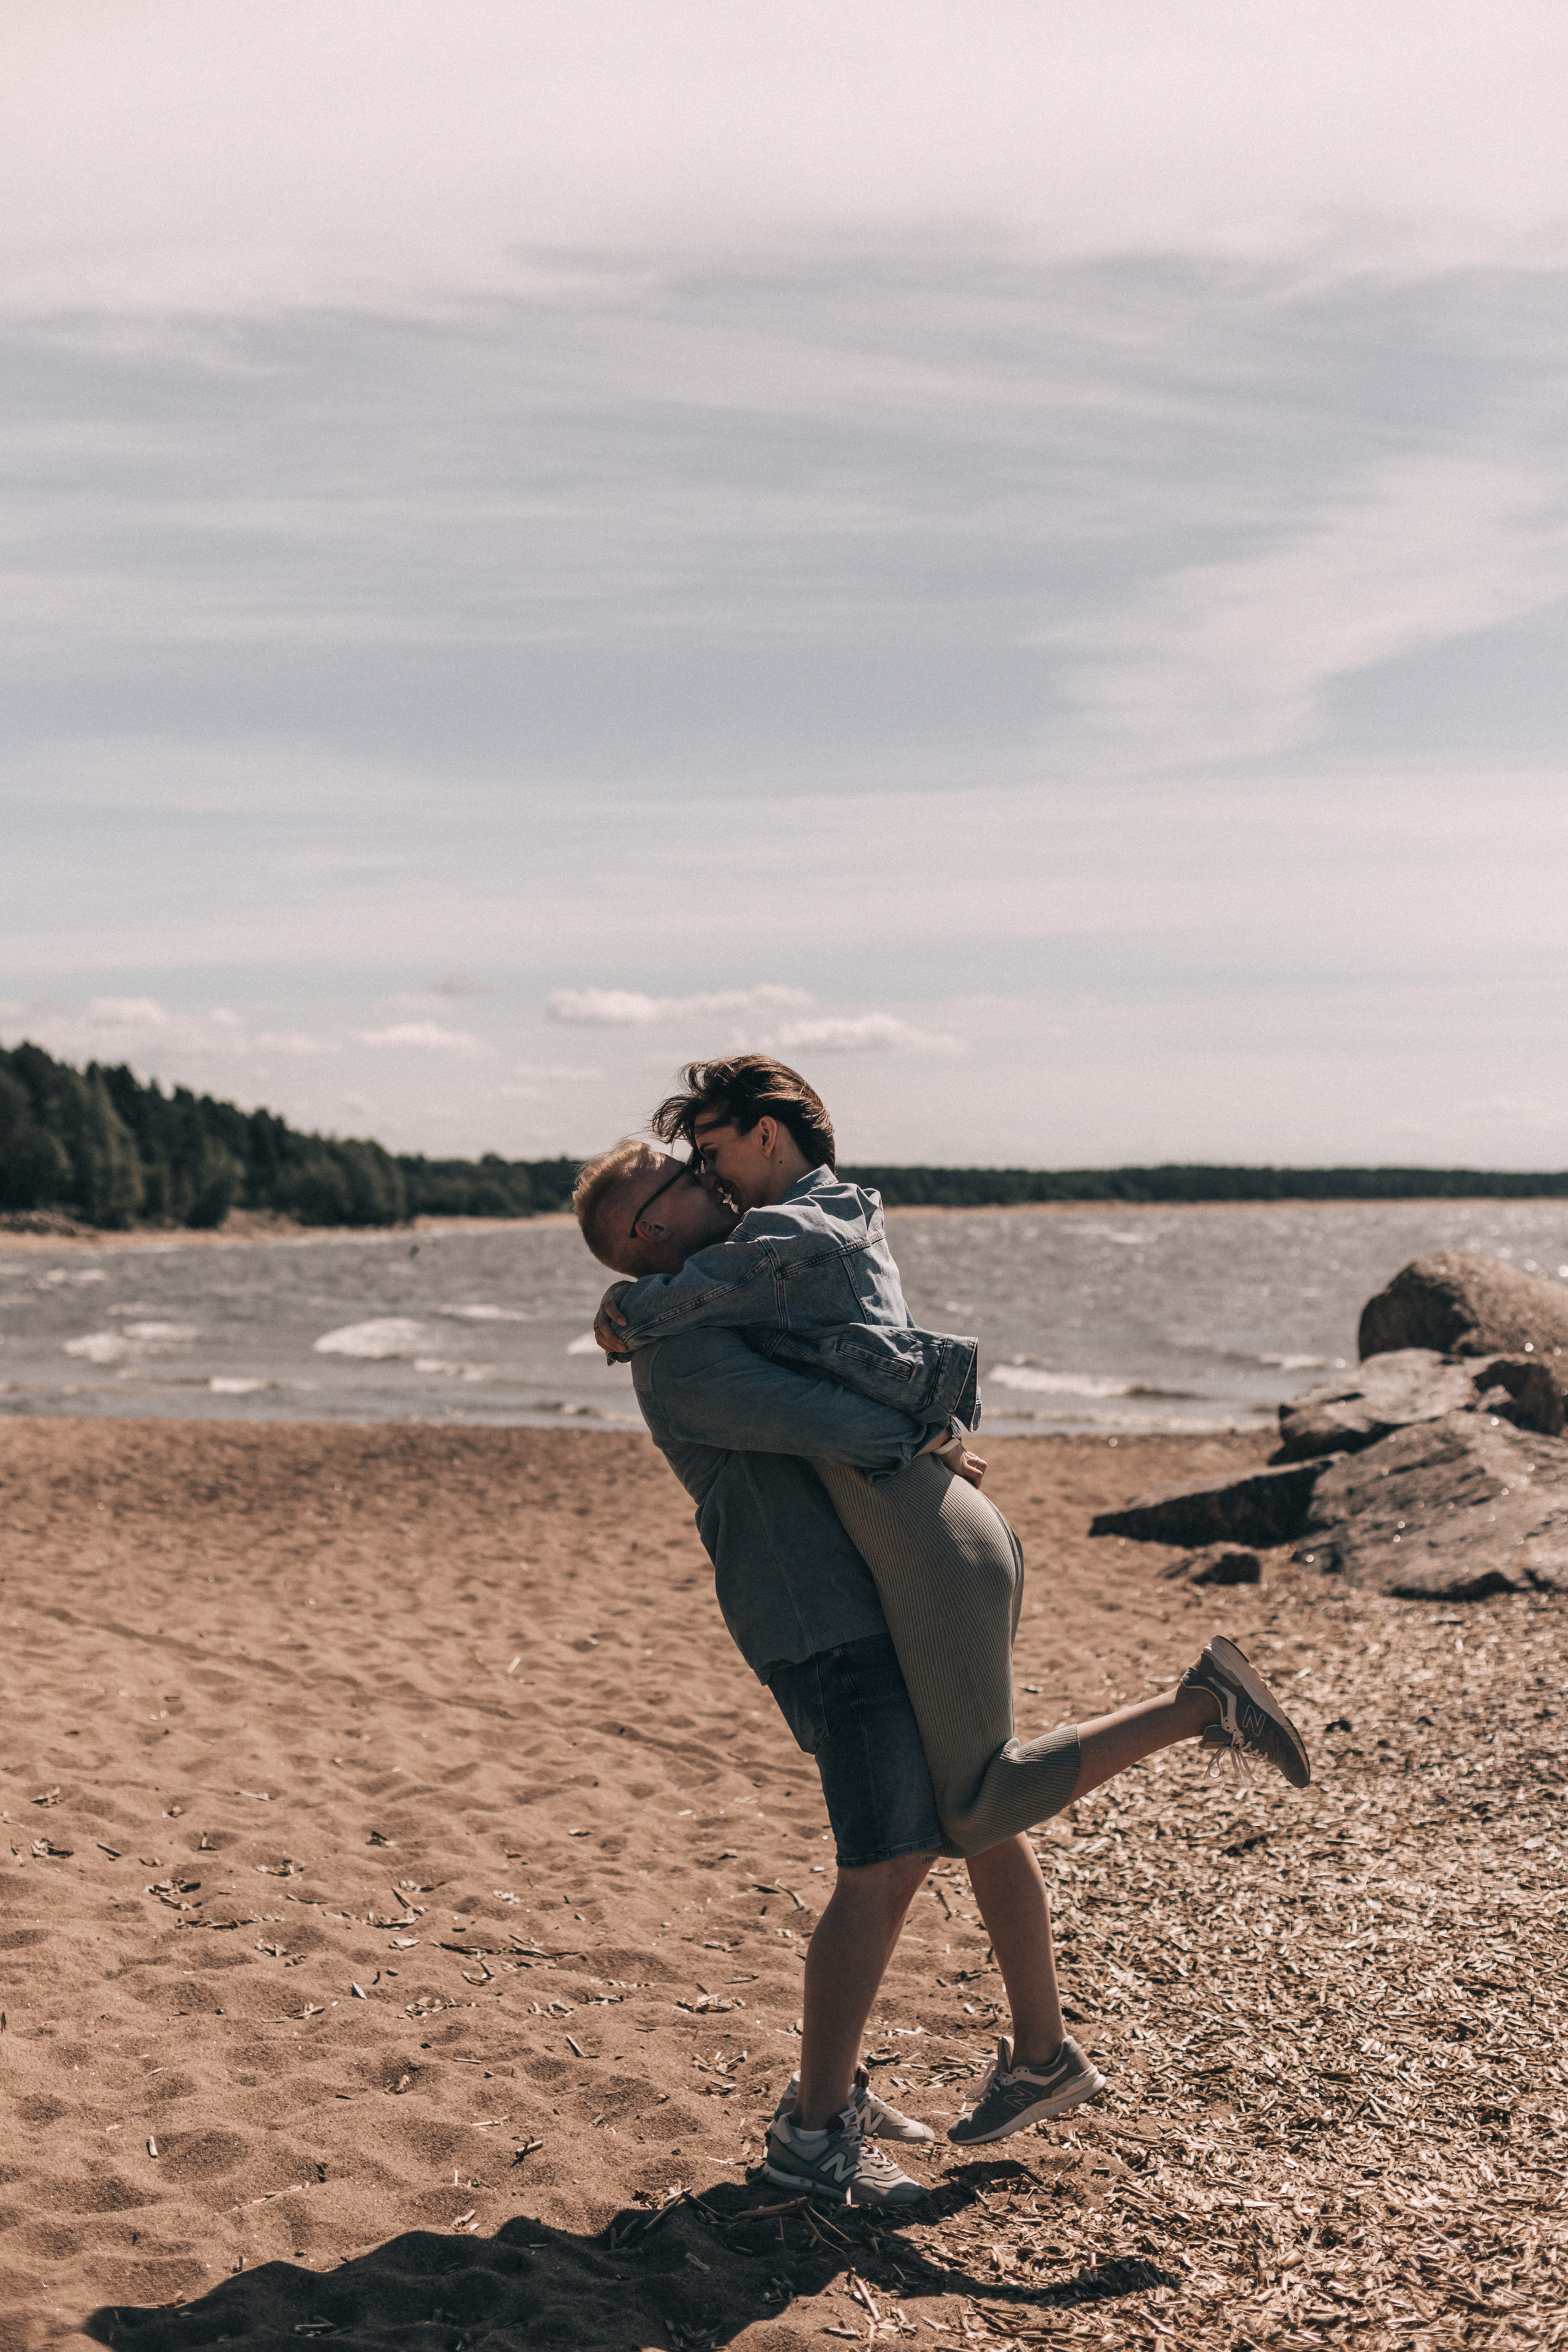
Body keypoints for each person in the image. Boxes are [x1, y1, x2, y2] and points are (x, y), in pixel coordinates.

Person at [571, 1064, 1311, 2198]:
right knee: (921, 1843)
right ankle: (1003, 2065)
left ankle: (837, 2121)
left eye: (698, 1156)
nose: (697, 1177)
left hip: (893, 1584)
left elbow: (848, 1360)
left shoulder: (740, 1286)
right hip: (830, 1625)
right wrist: (921, 1426)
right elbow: (832, 1417)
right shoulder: (685, 1344)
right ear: (641, 1233)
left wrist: (928, 1425)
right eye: (673, 1176)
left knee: (917, 1839)